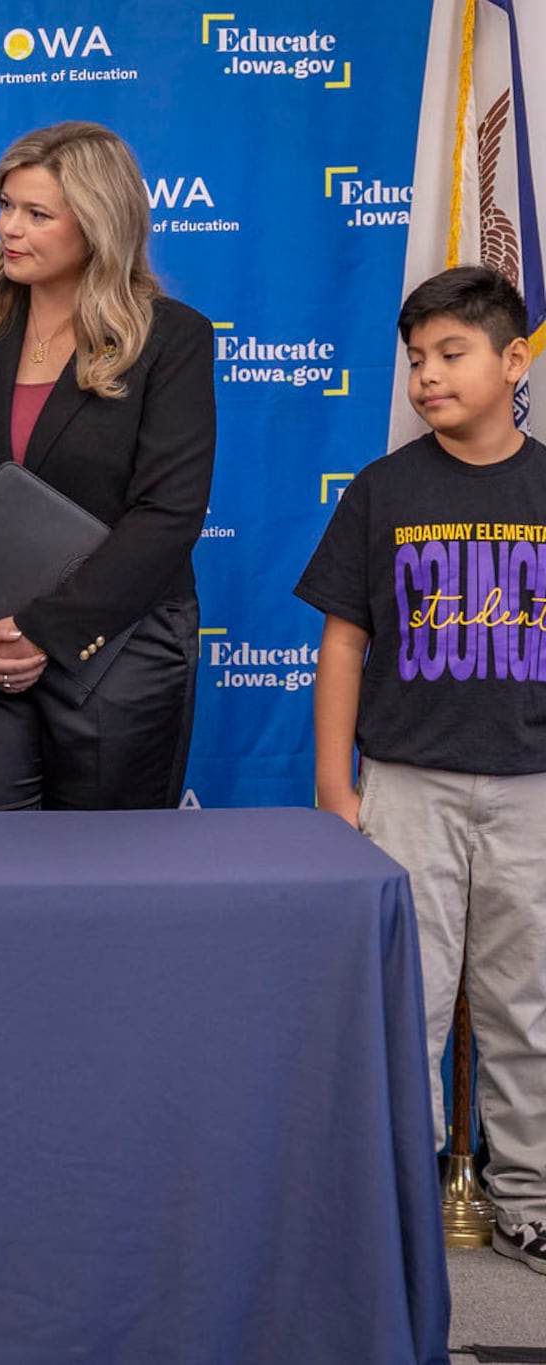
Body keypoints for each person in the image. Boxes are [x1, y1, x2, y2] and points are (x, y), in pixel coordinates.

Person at [297, 264, 546, 1274]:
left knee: (523, 1001)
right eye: (413, 362)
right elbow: (342, 646)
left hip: (531, 790)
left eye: (449, 355)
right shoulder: (382, 489)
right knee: (404, 994)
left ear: (513, 359)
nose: (425, 378)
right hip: (403, 783)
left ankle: (524, 1195)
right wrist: (332, 787)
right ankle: (398, 1195)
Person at [0, 121, 215, 810]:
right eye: (6, 206)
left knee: (106, 895)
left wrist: (46, 628)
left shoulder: (173, 339)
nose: (11, 228)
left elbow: (169, 515)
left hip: (121, 655)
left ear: (99, 225)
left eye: (37, 214)